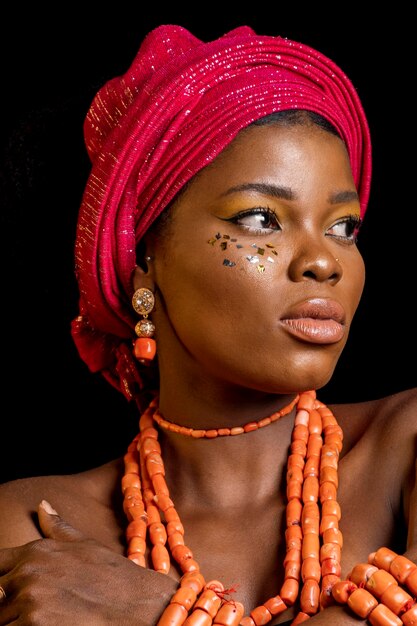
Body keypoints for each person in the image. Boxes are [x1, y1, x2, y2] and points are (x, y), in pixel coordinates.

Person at [0, 22, 415, 626]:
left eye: (344, 227)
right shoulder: (33, 528)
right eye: (260, 219)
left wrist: (158, 613)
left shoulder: (405, 448)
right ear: (143, 259)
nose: (324, 261)